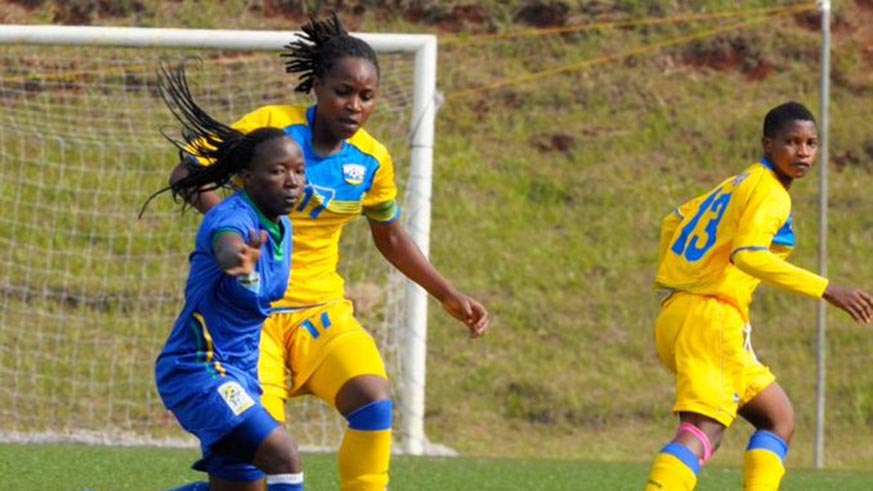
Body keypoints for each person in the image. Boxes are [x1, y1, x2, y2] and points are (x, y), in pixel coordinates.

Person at [168, 12, 490, 491]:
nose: (355, 105)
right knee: (252, 477)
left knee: (374, 399)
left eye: (367, 96)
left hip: (322, 314)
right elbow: (188, 168)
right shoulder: (273, 128)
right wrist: (230, 234)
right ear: (317, 86)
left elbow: (392, 236)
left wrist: (445, 293)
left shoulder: (372, 160)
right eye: (343, 91)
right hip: (252, 324)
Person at [643, 101, 873, 491]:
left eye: (811, 143)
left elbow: (674, 220)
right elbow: (748, 255)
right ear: (768, 145)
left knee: (778, 418)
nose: (802, 152)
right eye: (791, 142)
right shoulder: (770, 192)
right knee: (703, 429)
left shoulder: (739, 182)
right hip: (710, 317)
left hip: (688, 315)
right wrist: (828, 289)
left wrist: (681, 275)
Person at [149, 61, 307, 491]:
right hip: (199, 368)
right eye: (278, 171)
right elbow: (226, 243)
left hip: (240, 373)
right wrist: (236, 259)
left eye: (298, 171)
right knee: (284, 456)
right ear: (246, 177)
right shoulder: (232, 218)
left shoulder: (284, 225)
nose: (292, 181)